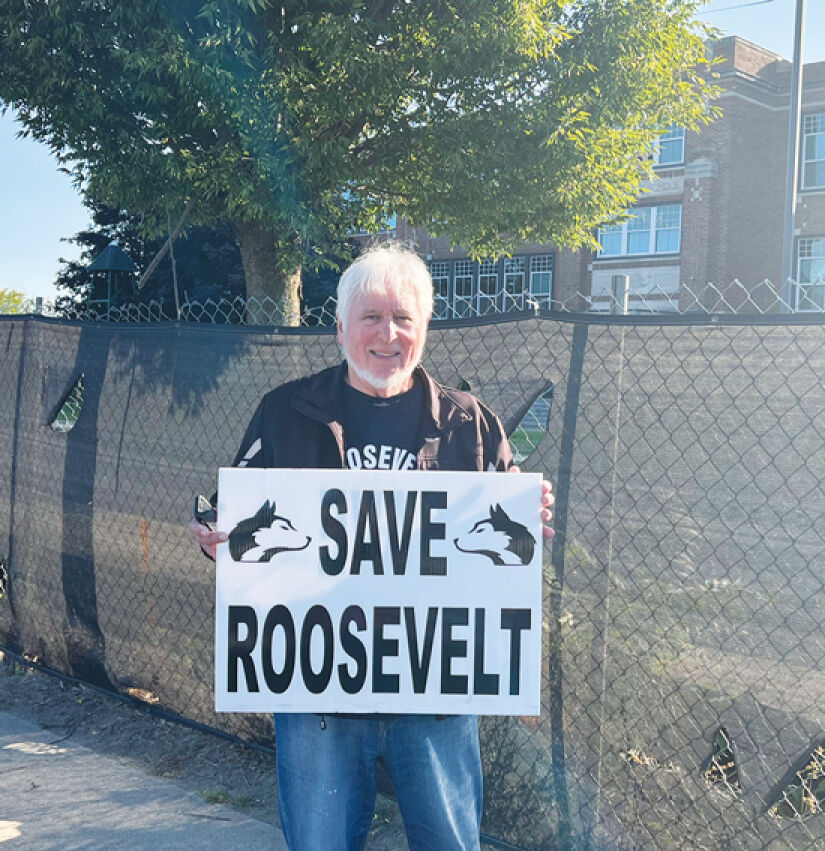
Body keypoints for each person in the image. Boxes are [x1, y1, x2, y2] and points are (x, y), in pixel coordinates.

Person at [188, 244, 554, 851]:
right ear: (339, 328)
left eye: (404, 318)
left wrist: (529, 521)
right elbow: (236, 528)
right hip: (318, 687)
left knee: (449, 843)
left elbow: (510, 552)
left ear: (425, 328)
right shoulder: (285, 412)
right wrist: (214, 541)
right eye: (371, 317)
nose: (388, 334)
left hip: (437, 685)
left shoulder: (472, 424)